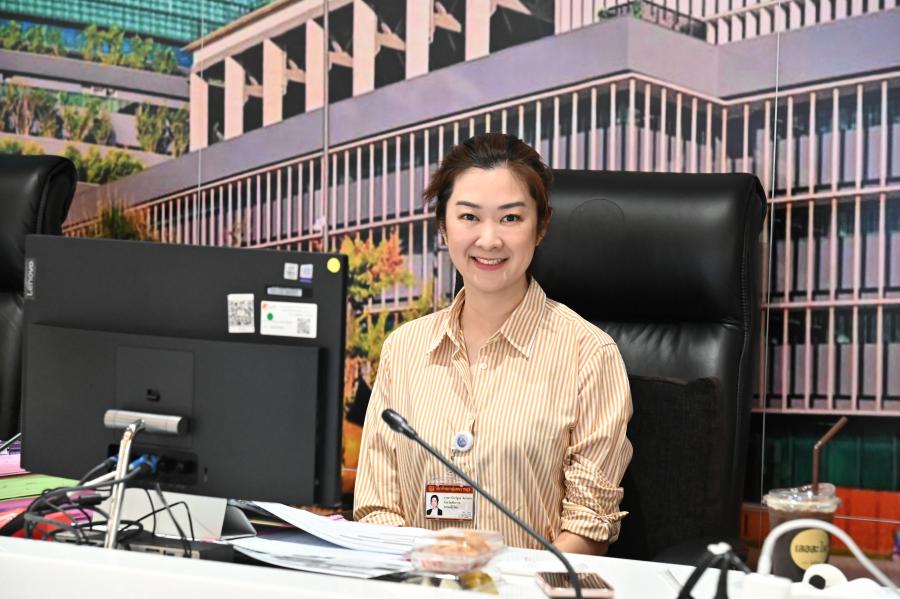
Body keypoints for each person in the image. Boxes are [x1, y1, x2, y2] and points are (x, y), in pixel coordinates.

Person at [353, 133, 632, 556]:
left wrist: (513, 584)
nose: (488, 240)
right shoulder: (403, 350)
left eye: (510, 218)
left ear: (541, 227)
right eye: (469, 216)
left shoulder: (589, 355)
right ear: (443, 226)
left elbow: (588, 525)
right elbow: (377, 509)